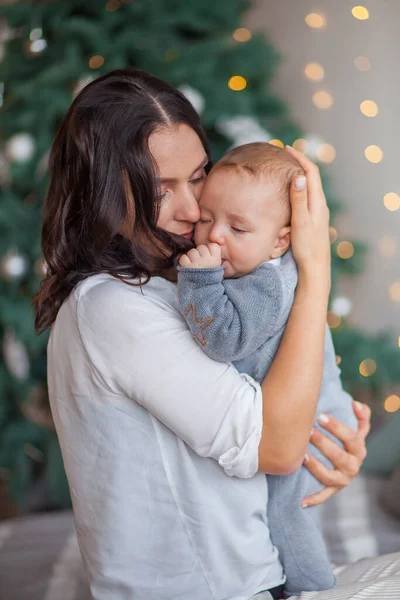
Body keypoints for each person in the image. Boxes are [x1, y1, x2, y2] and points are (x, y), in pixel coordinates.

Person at [33, 67, 376, 600]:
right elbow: (274, 447)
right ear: (102, 190)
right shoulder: (112, 308)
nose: (193, 210)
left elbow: (281, 430)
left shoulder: (181, 285)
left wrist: (325, 445)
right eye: (159, 188)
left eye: (197, 176)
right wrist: (313, 273)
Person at [176, 141, 357, 596]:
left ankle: (310, 586)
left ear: (281, 239)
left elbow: (225, 340)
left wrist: (199, 280)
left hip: (315, 427)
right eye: (205, 219)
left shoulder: (267, 286)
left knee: (283, 511)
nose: (214, 236)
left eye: (238, 227)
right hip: (321, 415)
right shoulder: (259, 264)